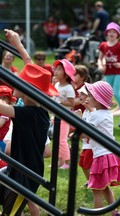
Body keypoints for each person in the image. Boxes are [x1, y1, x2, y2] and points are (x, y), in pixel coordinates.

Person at [0, 29, 59, 215]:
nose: (15, 81)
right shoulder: (36, 107)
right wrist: (18, 44)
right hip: (15, 169)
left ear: (27, 91)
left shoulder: (29, 114)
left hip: (24, 177)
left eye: (19, 82)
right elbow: (32, 70)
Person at [84, 81, 120, 215]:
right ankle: (114, 212)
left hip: (101, 156)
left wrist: (73, 133)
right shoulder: (106, 114)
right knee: (104, 187)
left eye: (90, 95)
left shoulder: (96, 115)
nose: (87, 98)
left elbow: (85, 131)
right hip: (109, 153)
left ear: (97, 99)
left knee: (96, 191)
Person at [97, 22, 120, 127]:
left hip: (119, 72)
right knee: (107, 93)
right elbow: (100, 58)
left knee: (116, 93)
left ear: (118, 34)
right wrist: (100, 65)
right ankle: (104, 116)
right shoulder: (103, 45)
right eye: (110, 32)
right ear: (107, 33)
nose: (111, 34)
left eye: (114, 32)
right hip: (108, 72)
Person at [53, 59, 76, 169]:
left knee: (62, 140)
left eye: (59, 70)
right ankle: (60, 161)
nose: (56, 72)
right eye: (55, 69)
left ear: (66, 74)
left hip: (64, 117)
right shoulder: (57, 84)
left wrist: (60, 102)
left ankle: (68, 162)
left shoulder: (68, 88)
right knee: (57, 139)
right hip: (56, 116)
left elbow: (71, 103)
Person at [74, 85, 94, 188]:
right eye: (79, 93)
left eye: (82, 94)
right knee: (82, 164)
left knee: (87, 165)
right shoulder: (86, 111)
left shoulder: (92, 111)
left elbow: (90, 129)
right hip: (86, 144)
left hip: (92, 145)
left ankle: (94, 182)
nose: (79, 95)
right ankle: (90, 181)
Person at [0, 86, 15, 152]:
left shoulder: (6, 111)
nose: (1, 100)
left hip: (2, 140)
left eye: (4, 98)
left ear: (9, 100)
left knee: (3, 160)